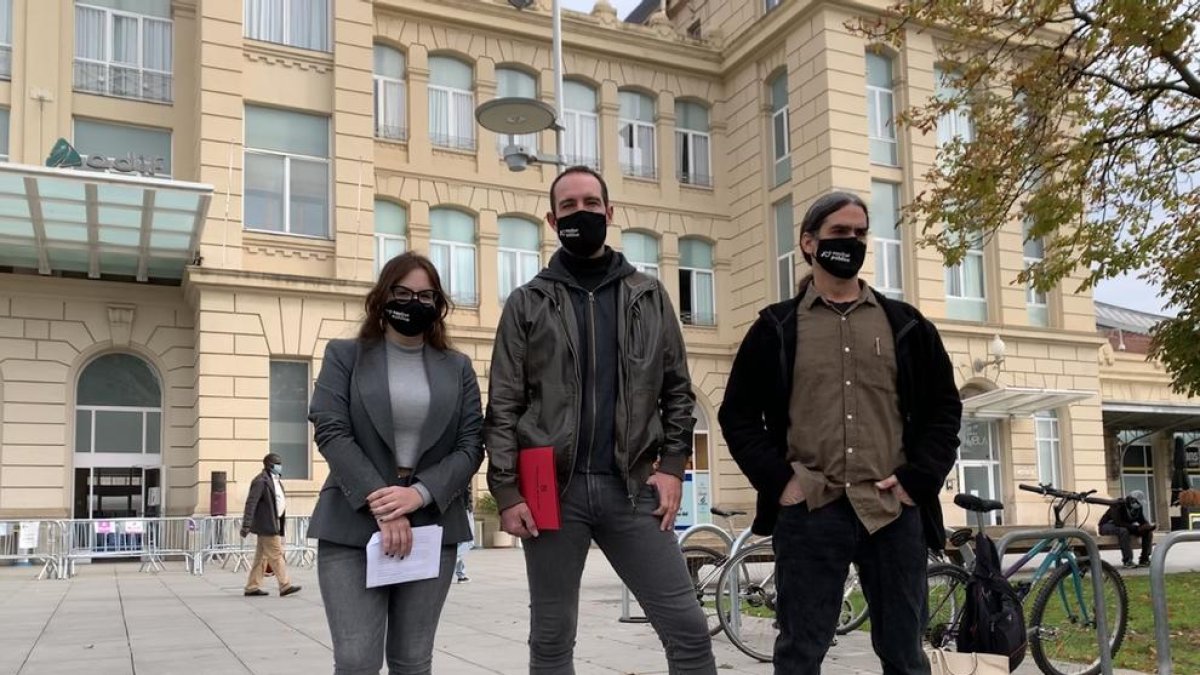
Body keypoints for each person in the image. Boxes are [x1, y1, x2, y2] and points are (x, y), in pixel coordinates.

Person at [719, 191, 963, 675]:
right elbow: (737, 416)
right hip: (811, 511)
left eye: (859, 234)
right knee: (799, 654)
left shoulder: (907, 325)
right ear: (809, 243)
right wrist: (779, 481)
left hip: (891, 512)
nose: (850, 243)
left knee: (904, 655)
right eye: (838, 233)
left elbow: (943, 410)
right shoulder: (776, 327)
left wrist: (919, 480)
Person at [485, 166, 716, 675]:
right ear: (552, 219)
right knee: (550, 641)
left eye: (591, 204)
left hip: (631, 488)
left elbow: (677, 390)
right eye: (568, 206)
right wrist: (506, 490)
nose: (581, 213)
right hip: (552, 490)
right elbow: (503, 404)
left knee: (688, 630)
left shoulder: (649, 296)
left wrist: (673, 466)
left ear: (609, 214)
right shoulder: (527, 302)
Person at [308, 252, 485, 675]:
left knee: (412, 660)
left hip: (430, 523)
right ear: (382, 297)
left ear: (438, 304)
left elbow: (471, 444)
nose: (413, 302)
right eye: (402, 292)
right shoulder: (344, 355)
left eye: (425, 295)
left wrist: (417, 494)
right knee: (356, 662)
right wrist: (383, 502)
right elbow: (331, 429)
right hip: (351, 523)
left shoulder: (458, 367)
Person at [241, 453, 301, 597]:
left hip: (273, 523)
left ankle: (252, 586)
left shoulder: (276, 480)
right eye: (276, 463)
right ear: (269, 465)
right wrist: (246, 525)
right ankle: (285, 585)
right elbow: (251, 503)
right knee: (276, 554)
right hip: (267, 525)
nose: (280, 466)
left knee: (261, 557)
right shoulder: (261, 481)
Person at [1099, 490, 1156, 568]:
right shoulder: (1118, 505)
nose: (1138, 506)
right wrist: (1136, 528)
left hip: (1126, 526)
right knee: (1123, 531)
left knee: (1148, 532)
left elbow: (1142, 520)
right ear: (1131, 500)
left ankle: (1144, 559)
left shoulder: (1138, 508)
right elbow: (1118, 522)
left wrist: (1148, 527)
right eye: (1137, 503)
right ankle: (1127, 560)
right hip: (1107, 525)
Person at [455, 490, 475, 583]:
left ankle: (461, 575)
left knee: (460, 543)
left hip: (461, 510)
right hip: (463, 510)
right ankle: (452, 563)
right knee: (469, 542)